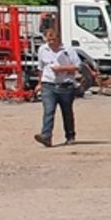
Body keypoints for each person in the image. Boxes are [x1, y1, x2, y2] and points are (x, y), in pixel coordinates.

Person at [34, 14, 83, 147]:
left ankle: (70, 135)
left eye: (52, 40)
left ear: (58, 39)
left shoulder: (68, 50)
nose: (50, 43)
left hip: (65, 85)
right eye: (48, 40)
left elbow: (78, 66)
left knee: (66, 112)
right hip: (48, 85)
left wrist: (62, 68)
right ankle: (46, 136)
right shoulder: (42, 50)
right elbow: (41, 68)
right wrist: (39, 83)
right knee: (48, 111)